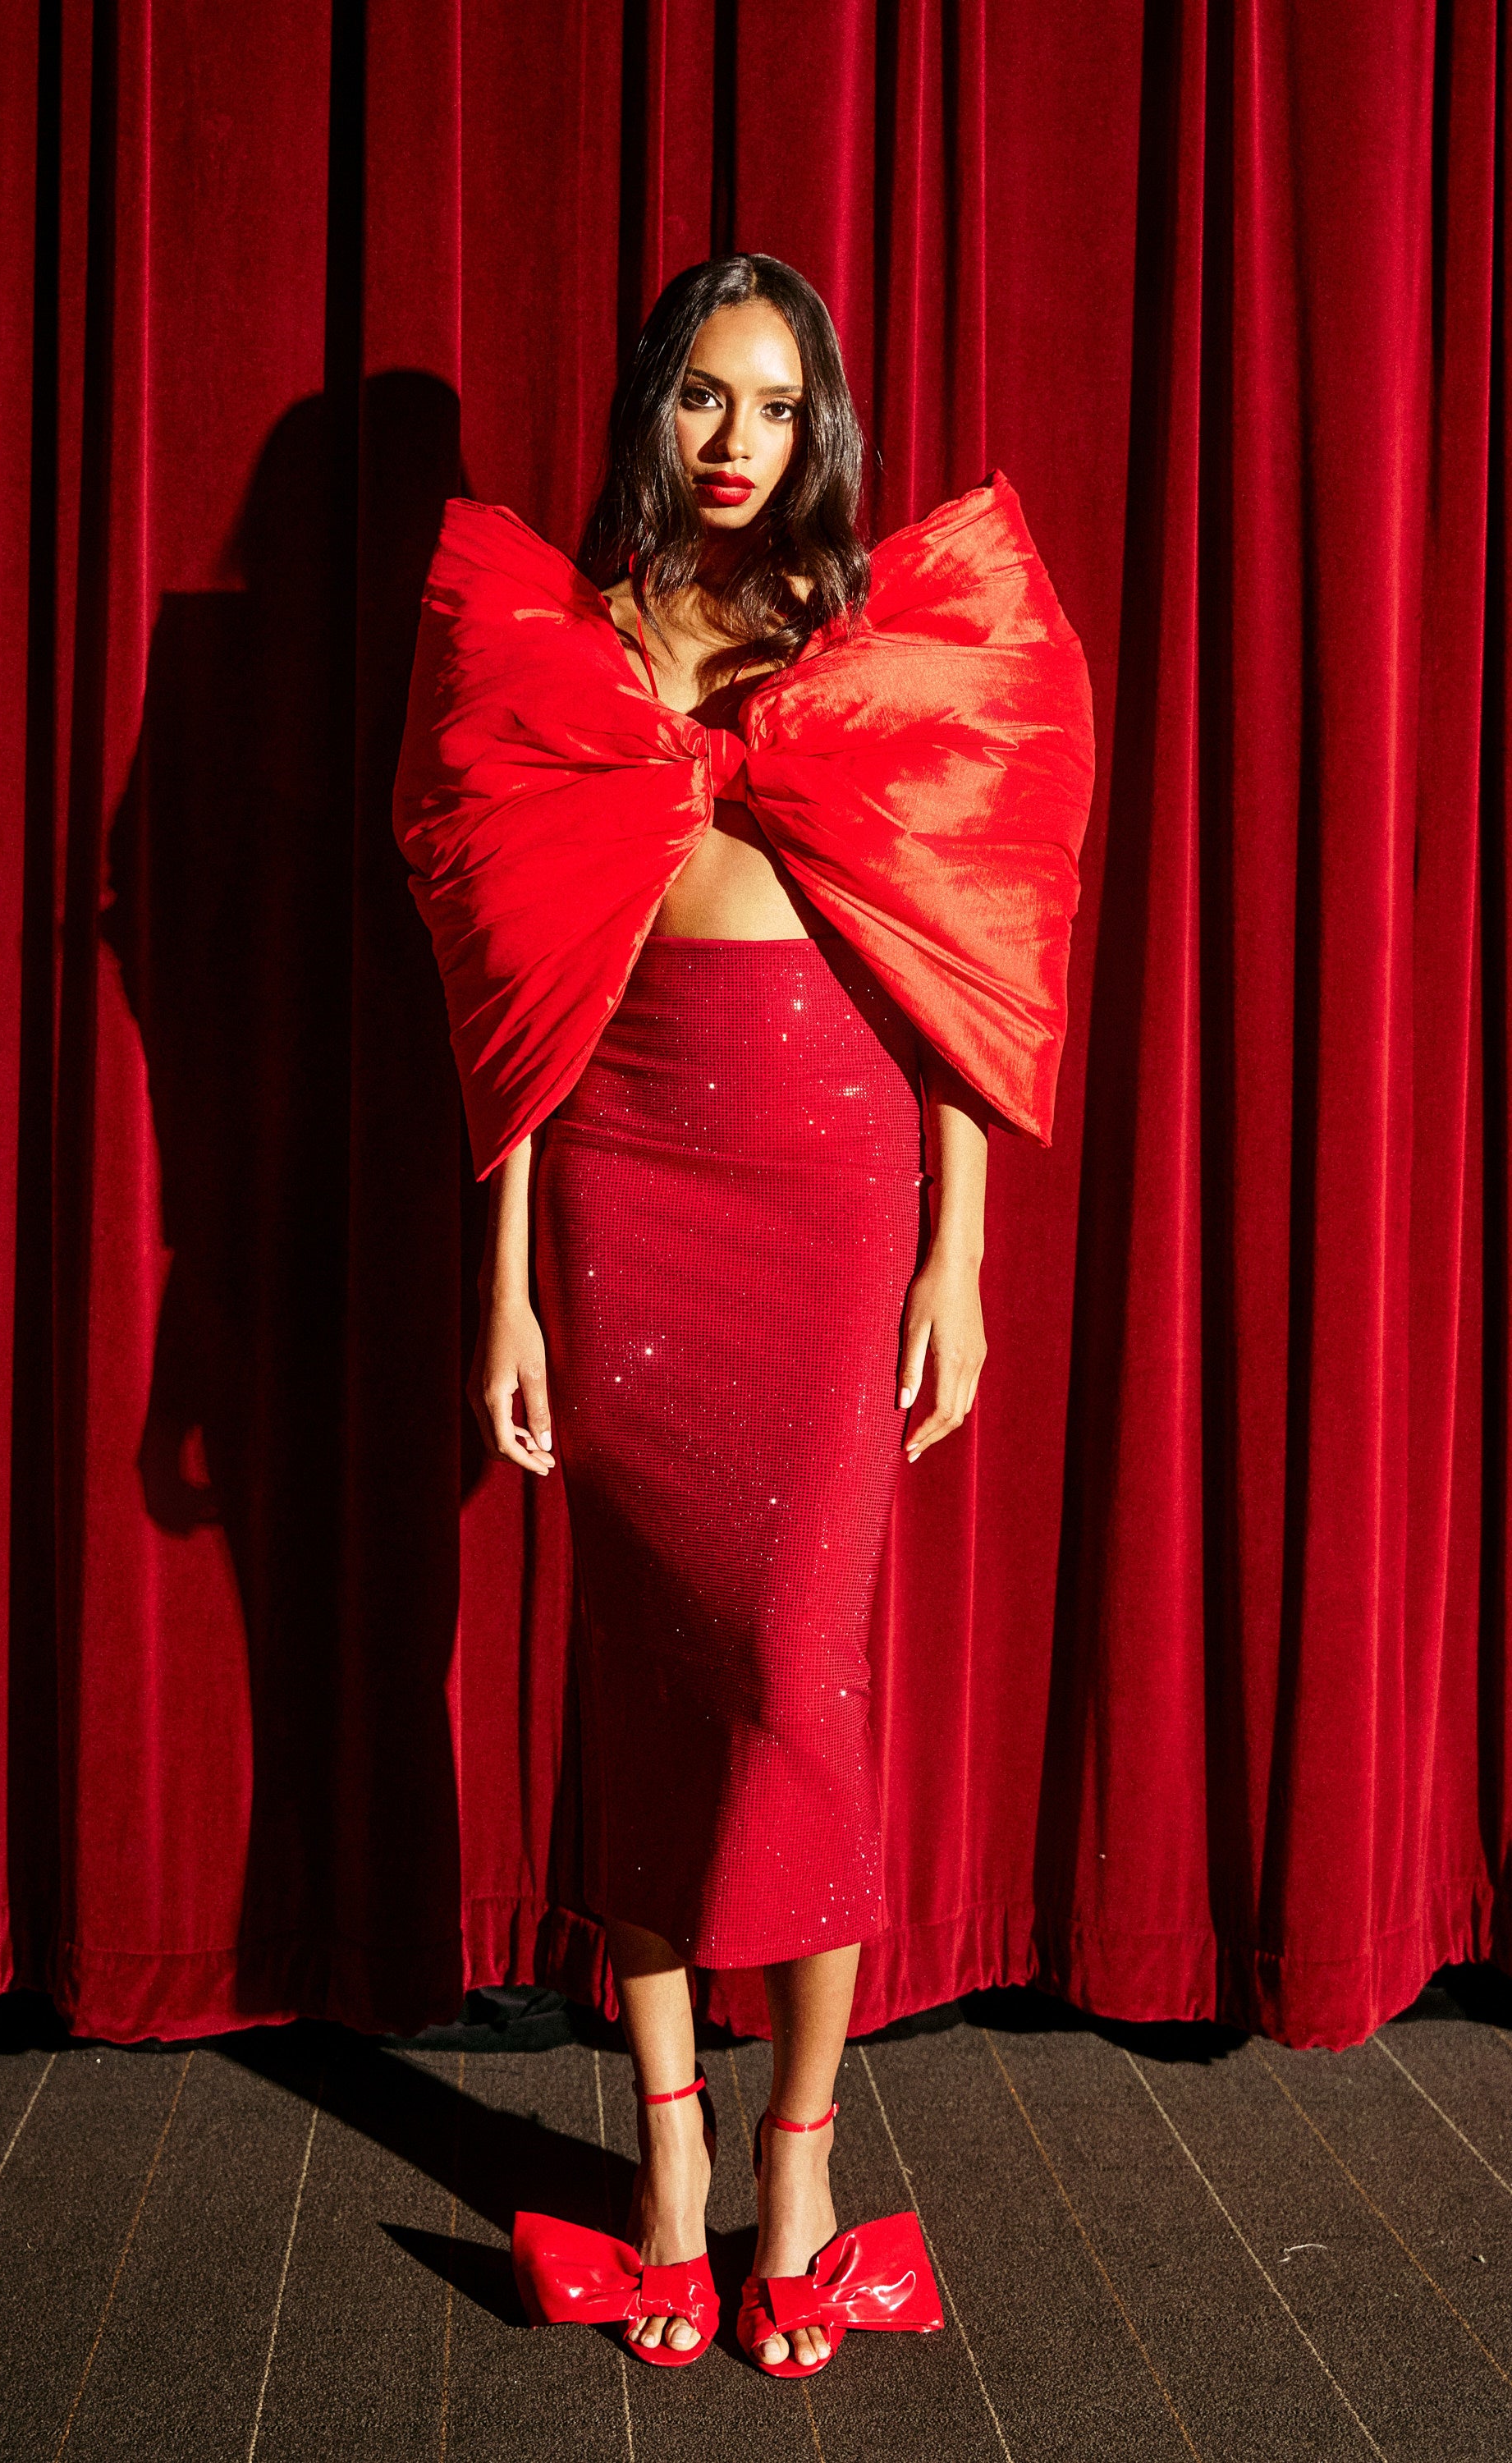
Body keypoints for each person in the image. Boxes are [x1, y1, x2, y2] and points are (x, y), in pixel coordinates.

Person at [394, 253, 1094, 2377]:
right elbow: (528, 997)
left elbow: (957, 957)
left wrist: (960, 1255)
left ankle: (802, 2160)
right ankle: (675, 2167)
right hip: (622, 1180)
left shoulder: (861, 634)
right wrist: (506, 1286)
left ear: (817, 431)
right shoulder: (582, 644)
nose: (733, 440)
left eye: (773, 406)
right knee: (648, 1679)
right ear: (655, 409)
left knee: (808, 1679)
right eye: (704, 397)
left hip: (832, 1176)